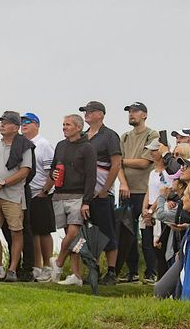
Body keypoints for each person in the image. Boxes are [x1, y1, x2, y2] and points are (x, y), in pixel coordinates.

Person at [0, 111, 34, 282]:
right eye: (1, 122)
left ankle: (12, 270)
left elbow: (25, 171)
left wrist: (3, 182)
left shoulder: (25, 145)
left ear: (16, 127)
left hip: (14, 196)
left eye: (6, 122)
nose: (2, 125)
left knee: (16, 231)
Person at [116, 102, 160, 282]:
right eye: (129, 112)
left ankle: (151, 271)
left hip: (145, 191)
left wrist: (122, 161)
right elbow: (116, 165)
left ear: (144, 115)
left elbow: (144, 162)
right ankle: (132, 271)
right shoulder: (125, 137)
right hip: (126, 190)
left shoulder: (152, 135)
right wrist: (123, 183)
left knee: (147, 233)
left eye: (135, 111)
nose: (131, 114)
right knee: (127, 234)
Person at [80, 100, 122, 282]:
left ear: (100, 114)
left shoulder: (109, 135)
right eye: (85, 111)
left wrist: (105, 189)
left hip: (102, 193)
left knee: (107, 231)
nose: (86, 114)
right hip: (85, 194)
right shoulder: (82, 136)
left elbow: (116, 164)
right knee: (89, 234)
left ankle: (111, 271)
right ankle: (93, 269)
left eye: (90, 111)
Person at [53, 115, 97, 285]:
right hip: (60, 194)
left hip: (78, 196)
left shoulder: (87, 148)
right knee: (71, 237)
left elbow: (91, 176)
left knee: (73, 232)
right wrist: (52, 174)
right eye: (63, 124)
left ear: (78, 127)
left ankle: (58, 262)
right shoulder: (60, 145)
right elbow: (53, 168)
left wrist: (86, 201)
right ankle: (76, 275)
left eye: (68, 124)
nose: (64, 127)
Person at [20, 113, 56, 282]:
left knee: (44, 231)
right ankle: (37, 266)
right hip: (27, 194)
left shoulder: (43, 144)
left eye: (28, 122)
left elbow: (52, 171)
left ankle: (48, 266)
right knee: (32, 231)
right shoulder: (23, 144)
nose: (24, 124)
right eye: (22, 122)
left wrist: (45, 190)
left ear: (37, 125)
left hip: (41, 193)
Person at [141, 140, 175, 281]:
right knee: (148, 244)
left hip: (160, 210)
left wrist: (151, 210)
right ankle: (154, 273)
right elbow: (149, 191)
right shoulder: (152, 173)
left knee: (159, 245)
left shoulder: (168, 173)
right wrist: (144, 208)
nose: (152, 153)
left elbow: (164, 192)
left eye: (155, 150)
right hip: (150, 210)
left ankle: (163, 278)